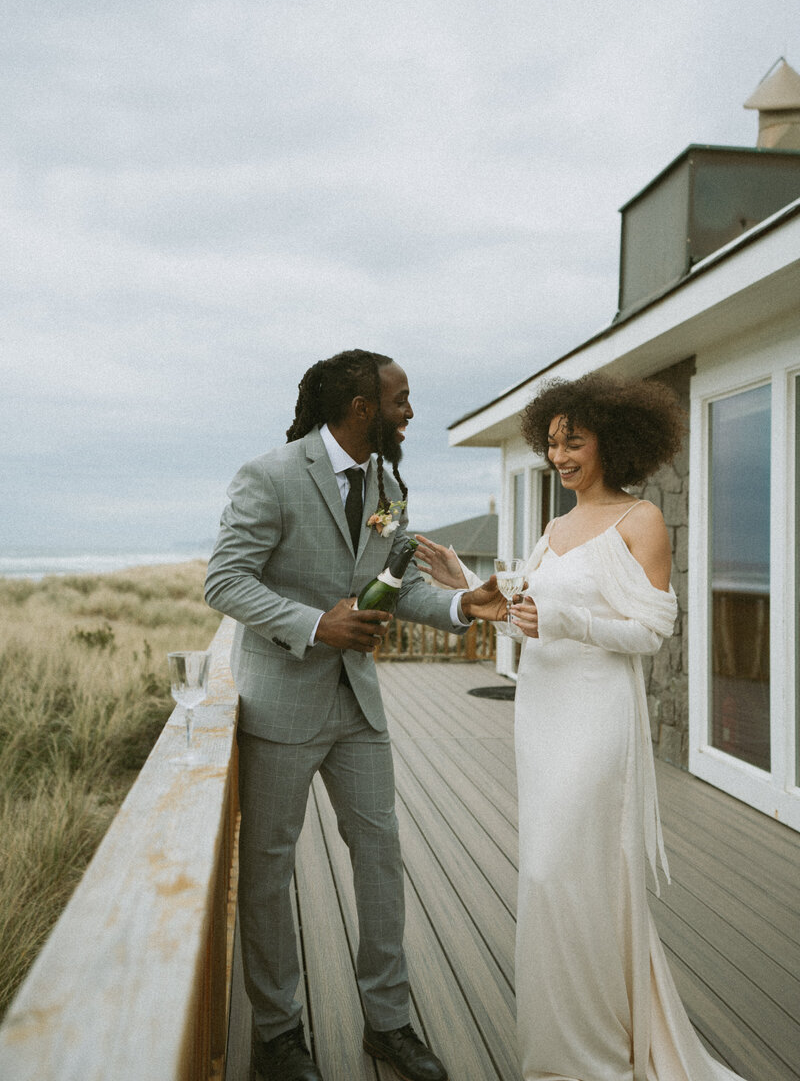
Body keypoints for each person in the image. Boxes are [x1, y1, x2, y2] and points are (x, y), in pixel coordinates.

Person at [416, 372, 751, 1081]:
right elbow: (525, 610)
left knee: (566, 874)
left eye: (575, 441)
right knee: (548, 879)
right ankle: (561, 1052)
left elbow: (654, 632)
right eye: (552, 443)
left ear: (613, 441)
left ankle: (595, 1055)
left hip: (597, 717)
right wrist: (458, 583)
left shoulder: (641, 520)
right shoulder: (555, 528)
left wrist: (569, 621)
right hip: (543, 712)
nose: (560, 455)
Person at [205, 349, 504, 1081]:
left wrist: (464, 605)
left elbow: (391, 588)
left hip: (359, 710)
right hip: (280, 705)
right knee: (270, 872)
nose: (410, 411)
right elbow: (225, 580)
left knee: (379, 858)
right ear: (362, 404)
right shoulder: (270, 475)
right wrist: (316, 625)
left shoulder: (387, 485)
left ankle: (388, 1023)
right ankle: (279, 1034)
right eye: (401, 399)